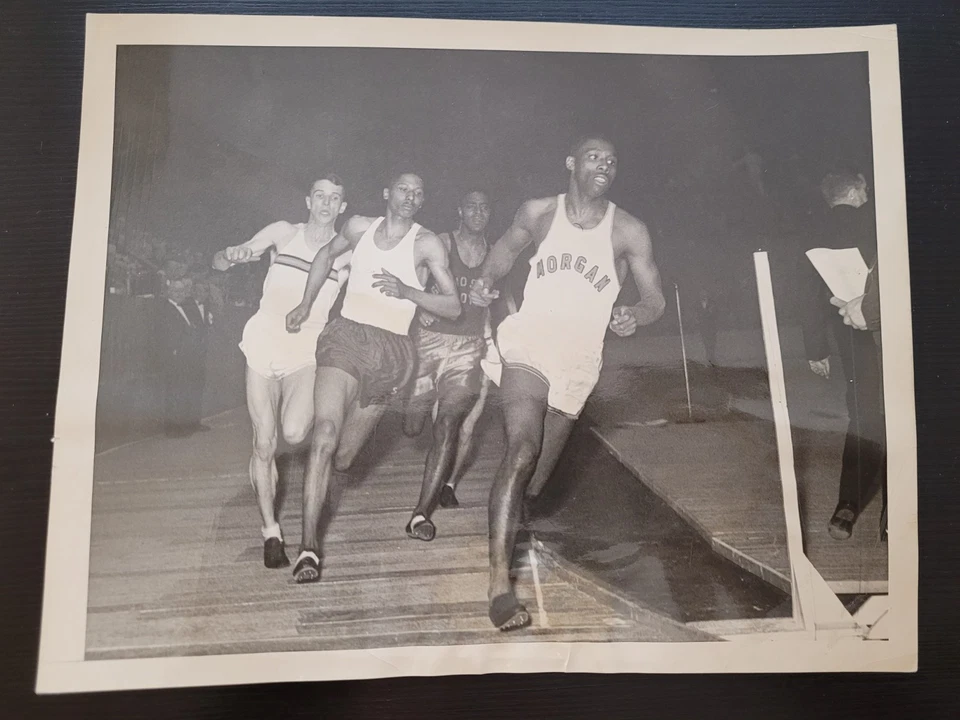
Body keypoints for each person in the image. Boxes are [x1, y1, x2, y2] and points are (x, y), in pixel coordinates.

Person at [469, 135, 666, 630]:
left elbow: (654, 299)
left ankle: (508, 528)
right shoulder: (539, 212)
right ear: (571, 163)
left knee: (533, 485)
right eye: (596, 156)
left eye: (613, 160)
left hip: (579, 359)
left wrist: (637, 316)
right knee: (520, 452)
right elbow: (504, 251)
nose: (606, 164)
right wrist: (485, 280)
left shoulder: (629, 230)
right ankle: (499, 586)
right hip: (530, 341)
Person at [285, 172, 461, 583]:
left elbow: (453, 306)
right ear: (387, 192)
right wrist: (305, 304)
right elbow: (326, 255)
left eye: (418, 192)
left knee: (343, 457)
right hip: (345, 336)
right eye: (402, 188)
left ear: (422, 201)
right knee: (324, 436)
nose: (410, 196)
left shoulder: (426, 243)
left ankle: (326, 485)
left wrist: (410, 292)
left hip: (393, 353)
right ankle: (308, 548)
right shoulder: (359, 227)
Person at [211, 176, 350, 569]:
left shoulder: (348, 251)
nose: (325, 203)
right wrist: (231, 254)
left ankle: (272, 510)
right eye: (319, 195)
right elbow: (222, 260)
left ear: (342, 207)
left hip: (307, 346)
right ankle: (270, 531)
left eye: (334, 198)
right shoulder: (284, 232)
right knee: (264, 443)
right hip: (265, 336)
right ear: (308, 200)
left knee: (293, 431)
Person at [401, 190, 495, 539]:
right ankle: (417, 412)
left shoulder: (495, 254)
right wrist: (420, 310)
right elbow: (413, 281)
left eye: (484, 207)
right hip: (429, 343)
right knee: (413, 426)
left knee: (449, 425)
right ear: (459, 209)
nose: (478, 212)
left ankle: (421, 514)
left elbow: (506, 295)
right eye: (471, 205)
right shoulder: (442, 242)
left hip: (468, 348)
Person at [800, 172, 886, 542]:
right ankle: (890, 518)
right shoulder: (878, 223)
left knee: (862, 416)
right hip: (888, 331)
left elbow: (808, 296)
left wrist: (815, 348)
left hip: (850, 338)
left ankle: (846, 507)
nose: (867, 195)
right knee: (899, 418)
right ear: (853, 191)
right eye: (864, 190)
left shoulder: (813, 232)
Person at [155, 276, 211, 438]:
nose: (179, 293)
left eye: (181, 290)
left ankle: (190, 424)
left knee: (188, 391)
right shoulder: (165, 308)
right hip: (176, 358)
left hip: (189, 357)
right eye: (175, 290)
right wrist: (174, 351)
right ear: (168, 292)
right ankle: (174, 430)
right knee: (175, 393)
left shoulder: (185, 307)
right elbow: (165, 335)